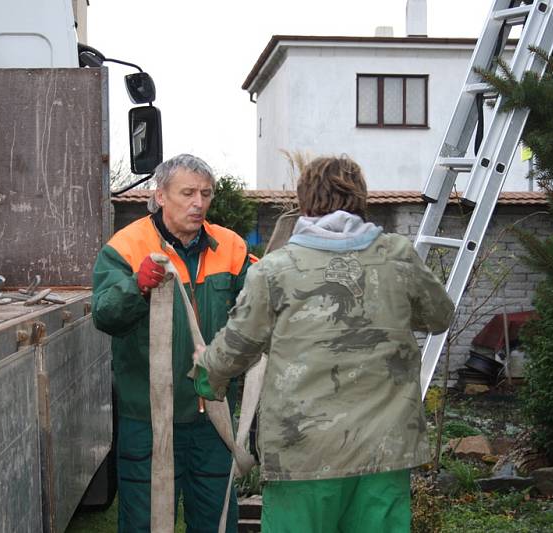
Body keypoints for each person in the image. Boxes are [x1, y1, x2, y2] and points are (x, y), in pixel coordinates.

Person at [192, 155, 454, 533]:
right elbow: (439, 316)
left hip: (303, 455)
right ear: (361, 199)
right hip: (384, 452)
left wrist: (205, 372)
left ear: (305, 201)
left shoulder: (275, 269)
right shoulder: (398, 256)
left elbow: (237, 347)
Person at [92, 154, 250, 533]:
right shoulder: (127, 246)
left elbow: (259, 310)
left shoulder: (230, 247)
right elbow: (104, 315)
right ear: (160, 195)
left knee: (216, 522)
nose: (199, 202)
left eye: (206, 193)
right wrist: (136, 287)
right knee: (146, 522)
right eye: (188, 193)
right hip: (148, 417)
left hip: (212, 415)